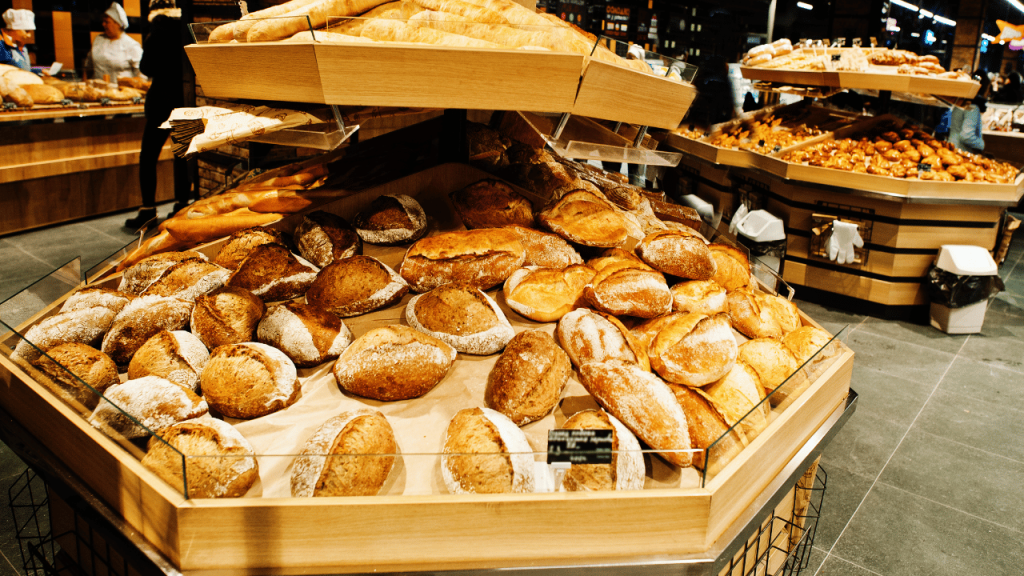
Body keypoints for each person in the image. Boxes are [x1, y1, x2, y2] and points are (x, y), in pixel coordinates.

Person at [125, 0, 194, 230]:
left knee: (148, 156)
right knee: (182, 155)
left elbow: (146, 68)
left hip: (160, 102)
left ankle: (148, 209)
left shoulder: (156, 32)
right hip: (184, 99)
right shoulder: (187, 29)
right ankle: (182, 205)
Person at [85, 3, 143, 83]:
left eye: (106, 22)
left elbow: (142, 75)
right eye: (103, 21)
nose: (103, 24)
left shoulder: (132, 45)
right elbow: (88, 67)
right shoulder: (98, 40)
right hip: (98, 91)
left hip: (122, 92)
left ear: (118, 24)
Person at [947, 75, 989, 154]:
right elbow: (966, 136)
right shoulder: (972, 107)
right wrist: (981, 145)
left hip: (952, 148)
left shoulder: (962, 103)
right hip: (961, 152)